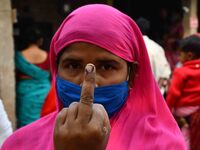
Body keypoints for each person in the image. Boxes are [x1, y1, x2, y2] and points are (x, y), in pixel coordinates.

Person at [1, 4, 186, 149]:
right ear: (57, 71)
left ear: (132, 75)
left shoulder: (164, 145)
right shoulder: (20, 143)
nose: (87, 84)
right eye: (73, 65)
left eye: (106, 66)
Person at [166, 34, 200, 150]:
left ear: (189, 55)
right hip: (197, 109)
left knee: (185, 137)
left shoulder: (181, 71)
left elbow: (173, 94)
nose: (179, 58)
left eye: (180, 54)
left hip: (184, 110)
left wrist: (167, 110)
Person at [15, 24, 51, 128]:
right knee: (43, 122)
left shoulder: (18, 56)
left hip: (25, 92)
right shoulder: (47, 55)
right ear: (40, 40)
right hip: (44, 92)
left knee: (25, 125)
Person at [136, 17, 171, 95]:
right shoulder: (157, 48)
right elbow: (165, 74)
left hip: (136, 96)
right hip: (155, 96)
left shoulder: (131, 47)